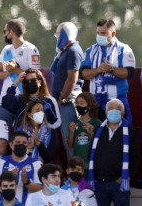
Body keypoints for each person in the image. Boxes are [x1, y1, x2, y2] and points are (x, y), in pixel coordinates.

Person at [88, 98, 139, 206]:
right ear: (105, 112)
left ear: (123, 114)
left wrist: (125, 177)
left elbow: (135, 157)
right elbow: (91, 153)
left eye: (117, 110)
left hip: (119, 185)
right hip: (100, 185)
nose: (114, 112)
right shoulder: (98, 129)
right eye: (111, 109)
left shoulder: (129, 130)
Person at [80, 18, 137, 123]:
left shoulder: (124, 49)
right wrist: (98, 70)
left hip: (117, 100)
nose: (99, 36)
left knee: (121, 133)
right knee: (96, 135)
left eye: (103, 33)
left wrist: (111, 69)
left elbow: (130, 73)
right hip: (96, 102)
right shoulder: (90, 51)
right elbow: (83, 74)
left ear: (113, 33)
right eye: (98, 33)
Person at [50, 21, 84, 156]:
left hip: (68, 101)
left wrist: (62, 97)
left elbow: (72, 78)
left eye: (58, 34)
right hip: (63, 100)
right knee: (65, 140)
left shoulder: (74, 51)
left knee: (70, 140)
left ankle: (76, 176)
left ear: (65, 34)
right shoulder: (65, 51)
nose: (56, 37)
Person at [0, 19, 41, 114]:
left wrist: (15, 69)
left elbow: (36, 77)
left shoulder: (31, 49)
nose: (4, 35)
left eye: (5, 31)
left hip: (25, 99)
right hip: (6, 99)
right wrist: (9, 71)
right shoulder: (6, 50)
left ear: (11, 32)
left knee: (23, 129)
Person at [67, 91, 101, 169]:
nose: (79, 106)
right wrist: (72, 133)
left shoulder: (97, 122)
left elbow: (100, 145)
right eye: (77, 103)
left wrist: (91, 133)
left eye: (82, 103)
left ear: (89, 106)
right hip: (77, 165)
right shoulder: (75, 123)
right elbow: (70, 145)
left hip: (92, 164)